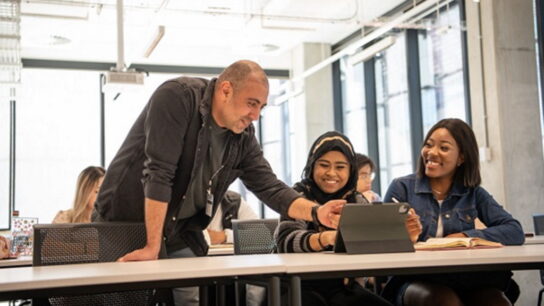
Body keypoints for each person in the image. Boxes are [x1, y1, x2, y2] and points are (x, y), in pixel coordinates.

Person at [92, 60, 344, 305]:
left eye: (261, 107)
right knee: (129, 297)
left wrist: (316, 211)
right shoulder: (177, 97)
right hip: (126, 219)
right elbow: (159, 173)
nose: (255, 115)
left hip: (178, 228)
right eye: (251, 103)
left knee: (189, 297)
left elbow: (270, 186)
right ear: (226, 90)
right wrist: (152, 246)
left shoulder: (243, 136)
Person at [381, 118, 524, 306]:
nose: (431, 153)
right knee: (443, 301)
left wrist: (464, 236)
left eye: (444, 148)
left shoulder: (473, 193)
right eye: (428, 145)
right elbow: (379, 243)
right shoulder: (401, 188)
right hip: (414, 280)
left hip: (464, 279)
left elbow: (514, 230)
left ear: (462, 157)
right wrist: (404, 238)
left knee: (497, 302)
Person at [275, 131, 421, 306]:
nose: (331, 173)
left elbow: (373, 244)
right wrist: (326, 238)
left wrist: (405, 237)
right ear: (312, 166)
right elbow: (285, 242)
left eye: (340, 167)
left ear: (351, 170)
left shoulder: (355, 199)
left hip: (343, 287)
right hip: (298, 286)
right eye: (323, 165)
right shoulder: (298, 196)